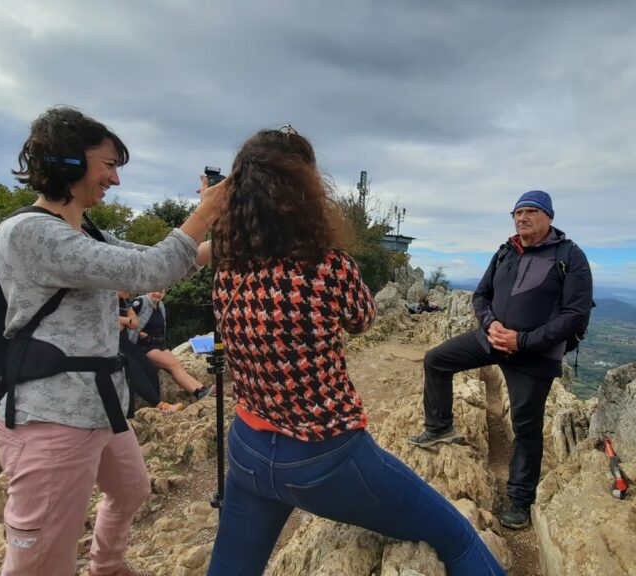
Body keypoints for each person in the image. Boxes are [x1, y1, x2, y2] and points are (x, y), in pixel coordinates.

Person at [205, 126, 506, 576]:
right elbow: (363, 317)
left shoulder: (228, 265)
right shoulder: (326, 265)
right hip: (325, 455)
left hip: (247, 448)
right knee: (457, 536)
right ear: (305, 190)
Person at [0, 106, 223, 576]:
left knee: (132, 489)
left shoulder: (83, 231)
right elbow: (149, 271)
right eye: (109, 165)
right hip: (50, 418)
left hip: (98, 407)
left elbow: (171, 258)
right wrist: (205, 211)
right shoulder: (31, 234)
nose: (115, 179)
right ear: (70, 164)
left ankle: (108, 567)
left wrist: (233, 227)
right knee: (41, 558)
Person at [408, 190, 593, 531]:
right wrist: (491, 324)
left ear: (549, 217)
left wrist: (521, 340)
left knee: (525, 427)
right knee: (437, 360)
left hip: (534, 355)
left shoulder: (570, 256)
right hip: (491, 339)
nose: (522, 217)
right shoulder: (506, 250)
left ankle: (520, 500)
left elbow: (575, 316)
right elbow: (481, 295)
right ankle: (439, 428)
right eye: (517, 212)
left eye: (531, 212)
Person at [129, 289, 212, 399]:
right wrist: (140, 333)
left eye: (161, 292)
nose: (157, 294)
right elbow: (128, 322)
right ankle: (198, 392)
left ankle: (201, 389)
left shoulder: (160, 306)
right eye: (155, 290)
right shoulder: (140, 302)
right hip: (142, 345)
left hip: (158, 343)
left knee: (176, 365)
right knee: (173, 365)